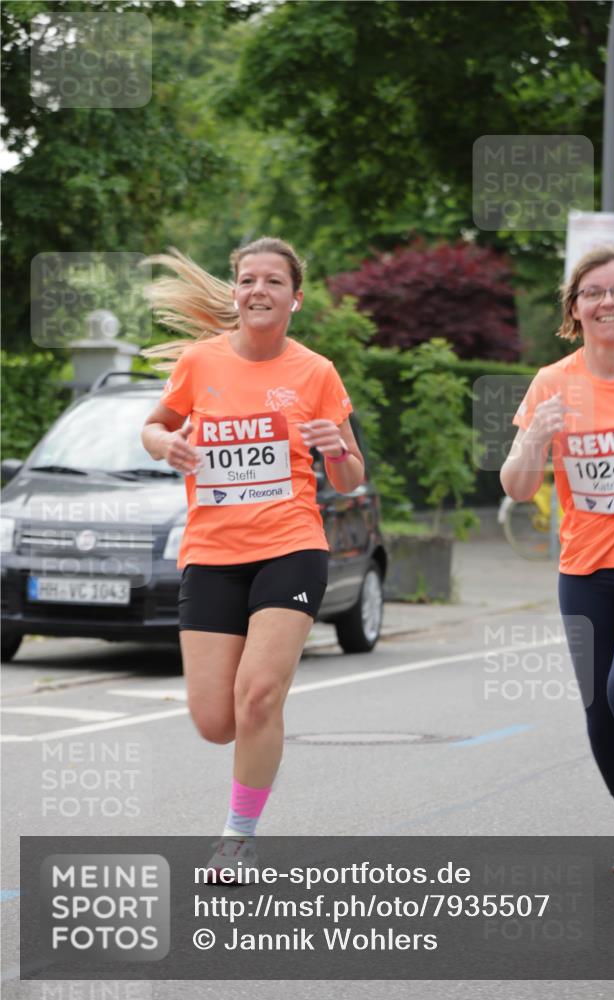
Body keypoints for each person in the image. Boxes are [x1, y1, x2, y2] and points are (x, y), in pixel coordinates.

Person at [141, 238, 365, 874]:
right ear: (236, 292)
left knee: (259, 695)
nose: (258, 290)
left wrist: (336, 450)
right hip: (212, 552)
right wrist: (165, 445)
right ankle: (257, 733)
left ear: (296, 298)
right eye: (247, 280)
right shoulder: (199, 362)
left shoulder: (316, 372)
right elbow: (153, 426)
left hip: (290, 546)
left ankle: (237, 837)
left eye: (273, 281)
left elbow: (350, 477)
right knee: (216, 721)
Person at [500, 245, 614, 880]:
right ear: (574, 308)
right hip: (586, 570)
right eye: (593, 292)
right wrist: (536, 438)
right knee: (600, 711)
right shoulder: (553, 382)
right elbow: (517, 487)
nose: (607, 302)